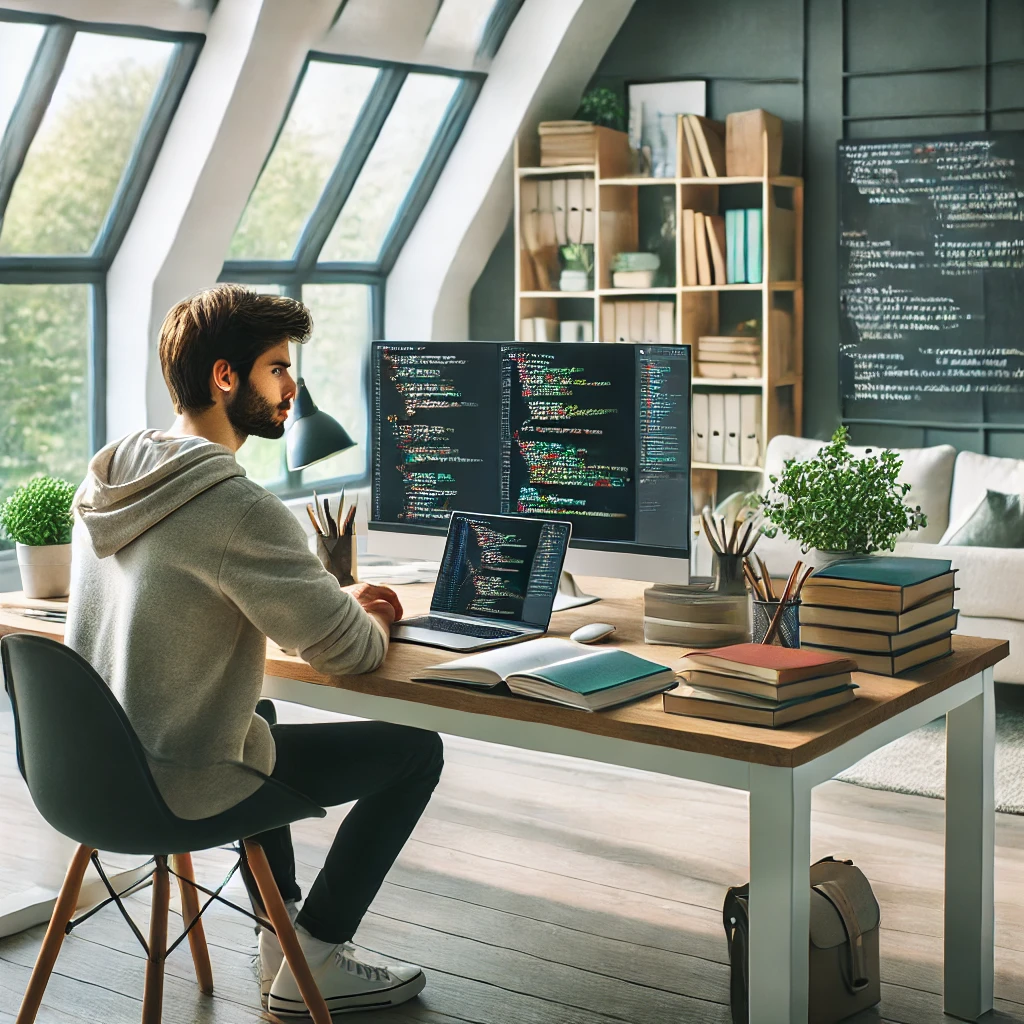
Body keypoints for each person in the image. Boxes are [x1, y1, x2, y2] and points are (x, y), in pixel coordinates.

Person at [66, 284, 442, 1016]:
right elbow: (349, 652)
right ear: (224, 376)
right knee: (416, 752)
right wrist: (372, 612)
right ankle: (316, 954)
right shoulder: (235, 507)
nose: (291, 387)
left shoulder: (112, 475)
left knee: (256, 715)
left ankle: (280, 938)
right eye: (277, 368)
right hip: (177, 782)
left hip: (88, 775)